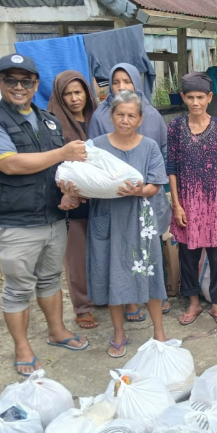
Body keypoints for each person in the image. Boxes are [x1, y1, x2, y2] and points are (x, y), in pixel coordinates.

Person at [0, 54, 89, 376]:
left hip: (53, 216)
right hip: (16, 221)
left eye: (26, 81)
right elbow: (9, 163)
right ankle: (22, 347)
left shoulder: (48, 120)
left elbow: (58, 169)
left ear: (36, 85)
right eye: (11, 80)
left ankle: (57, 331)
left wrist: (68, 191)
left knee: (50, 279)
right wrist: (62, 152)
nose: (18, 87)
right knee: (18, 287)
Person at [62, 90, 170, 358]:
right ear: (111, 116)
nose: (125, 120)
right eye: (120, 114)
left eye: (131, 115)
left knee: (151, 275)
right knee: (113, 275)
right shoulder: (95, 145)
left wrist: (139, 191)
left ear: (140, 119)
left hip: (139, 220)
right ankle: (119, 333)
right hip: (106, 219)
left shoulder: (149, 147)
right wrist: (73, 190)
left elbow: (155, 185)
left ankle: (159, 332)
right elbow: (84, 179)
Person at [88, 63, 171, 318]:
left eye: (127, 81)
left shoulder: (152, 120)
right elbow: (89, 167)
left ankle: (150, 303)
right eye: (115, 82)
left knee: (146, 256)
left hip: (144, 206)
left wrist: (147, 188)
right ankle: (127, 308)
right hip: (110, 209)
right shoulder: (98, 125)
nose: (122, 86)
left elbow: (161, 157)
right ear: (112, 115)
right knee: (116, 259)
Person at [167, 72, 217, 327]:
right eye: (190, 97)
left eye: (200, 97)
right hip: (186, 203)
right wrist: (176, 204)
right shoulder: (175, 127)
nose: (195, 102)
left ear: (209, 97)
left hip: (215, 203)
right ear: (183, 98)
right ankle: (193, 302)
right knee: (187, 255)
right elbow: (171, 167)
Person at [47, 70, 98, 330]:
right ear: (59, 96)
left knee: (104, 251)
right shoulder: (53, 123)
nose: (74, 98)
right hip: (73, 201)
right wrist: (69, 191)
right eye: (67, 94)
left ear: (87, 94)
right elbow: (51, 163)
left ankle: (105, 297)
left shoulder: (99, 117)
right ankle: (83, 306)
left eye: (78, 92)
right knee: (78, 257)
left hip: (103, 198)